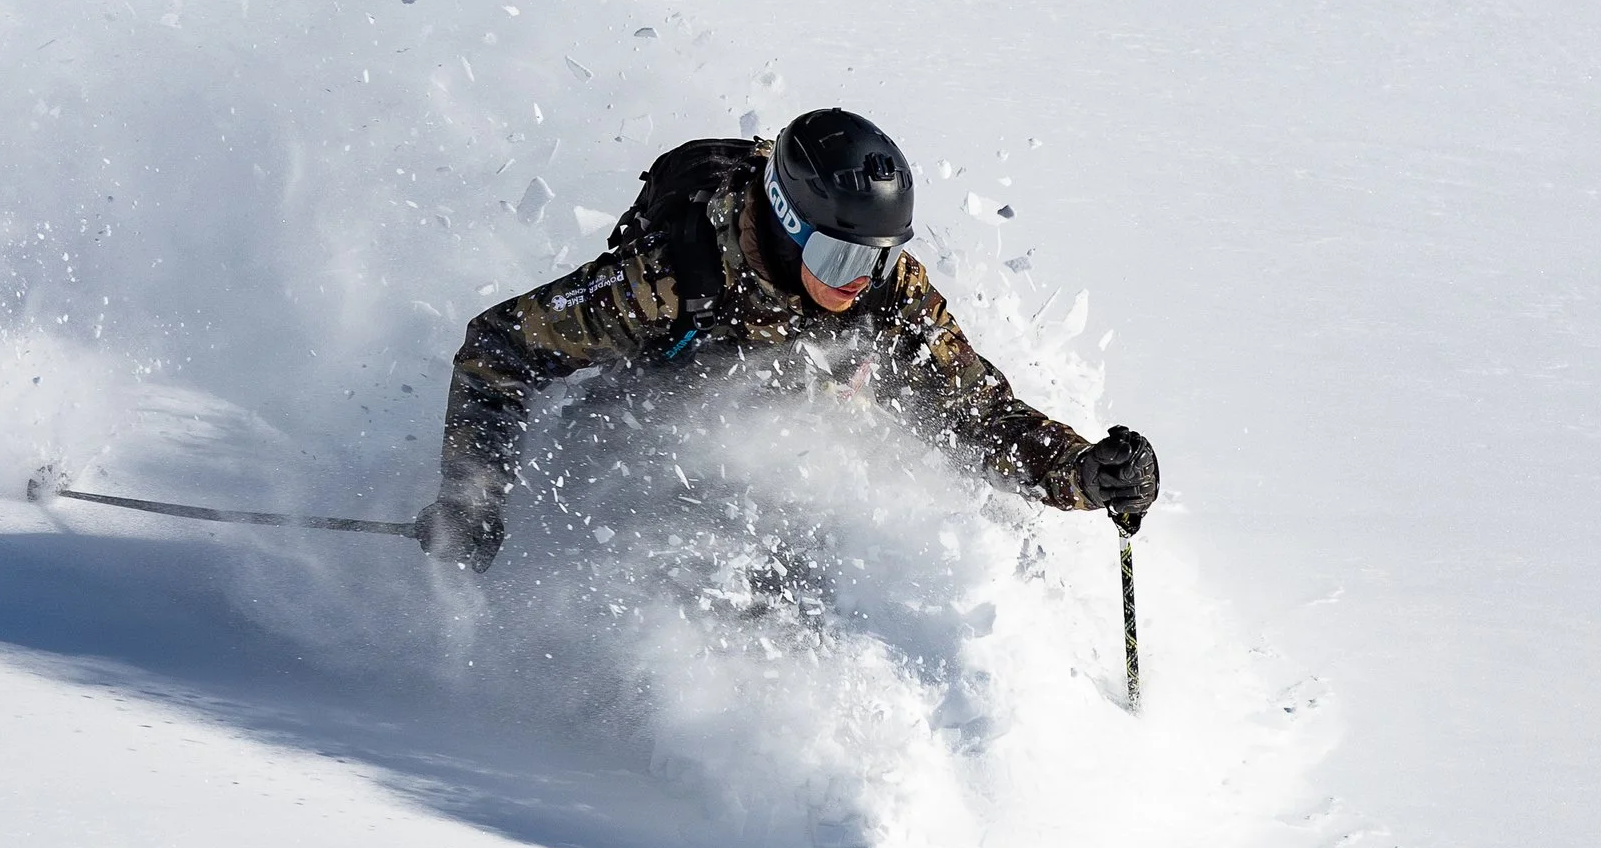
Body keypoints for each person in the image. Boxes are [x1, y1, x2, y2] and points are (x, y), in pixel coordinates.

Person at [414, 109, 1158, 572]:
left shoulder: (886, 293)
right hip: (639, 448)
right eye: (842, 257)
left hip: (785, 448)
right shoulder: (672, 277)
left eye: (881, 257)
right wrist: (471, 497)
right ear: (785, 223)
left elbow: (977, 413)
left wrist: (1085, 473)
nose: (861, 282)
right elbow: (500, 348)